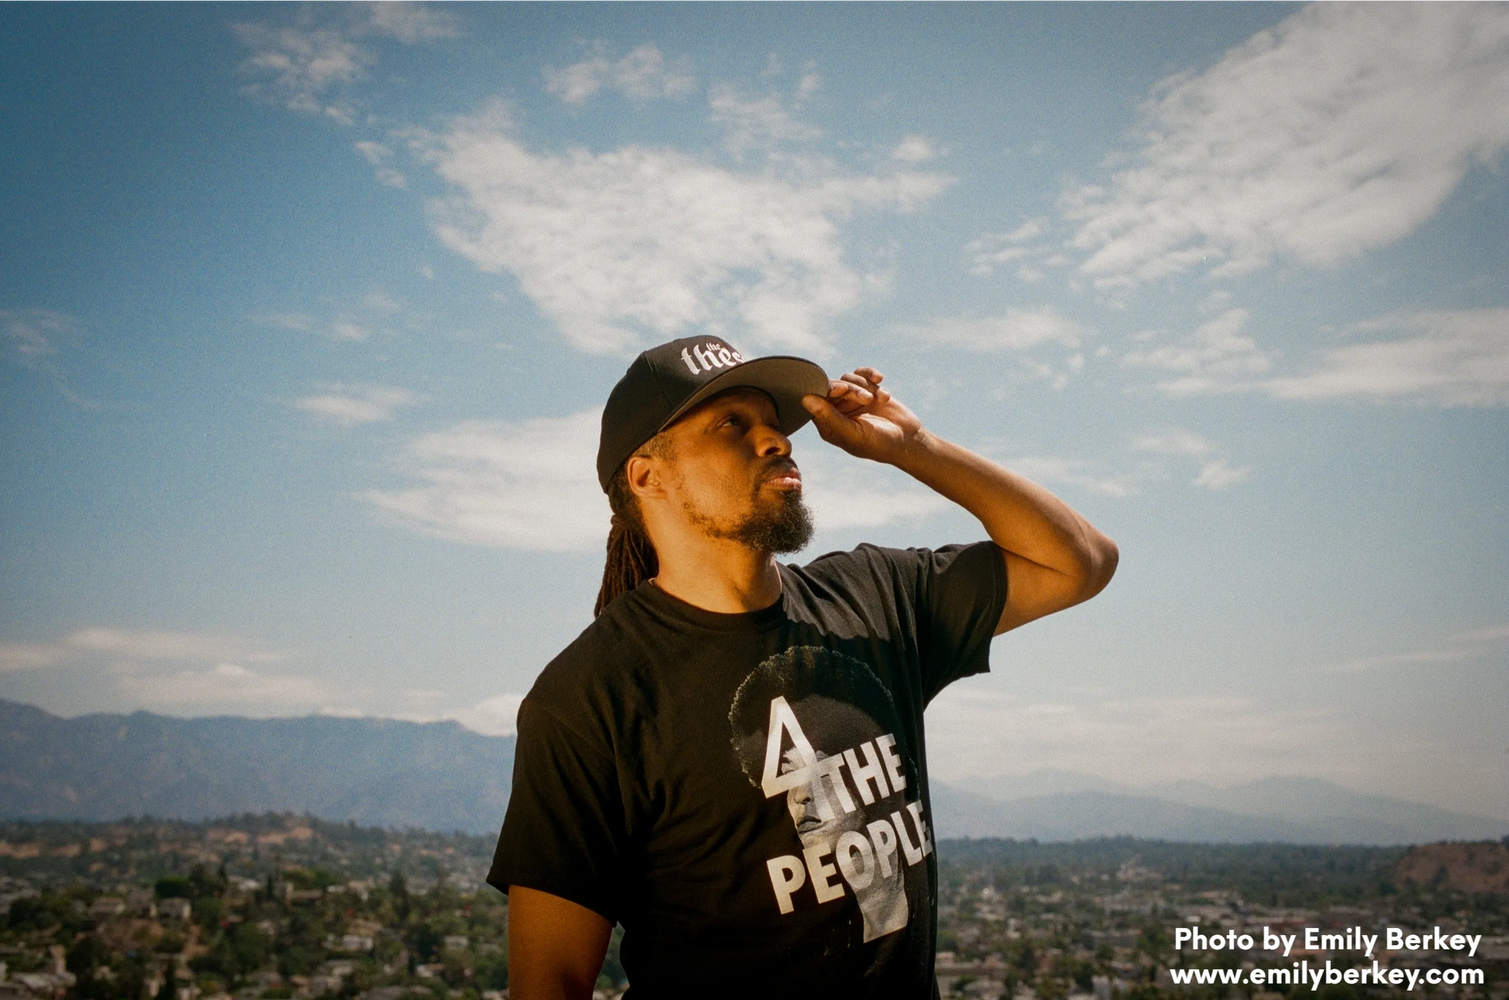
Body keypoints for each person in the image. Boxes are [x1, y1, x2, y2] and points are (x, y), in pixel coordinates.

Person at [489, 335, 1118, 999]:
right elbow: (549, 980)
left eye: (772, 423)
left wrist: (914, 448)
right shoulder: (589, 697)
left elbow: (1080, 563)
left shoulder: (876, 596)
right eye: (732, 424)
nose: (774, 441)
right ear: (648, 475)